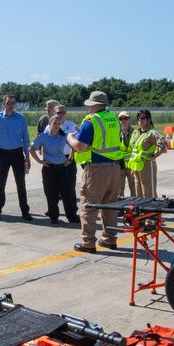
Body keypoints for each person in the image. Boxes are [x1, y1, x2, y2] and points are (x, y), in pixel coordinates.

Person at [67, 90, 125, 253]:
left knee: (89, 206)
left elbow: (80, 146)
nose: (88, 108)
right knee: (110, 206)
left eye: (90, 105)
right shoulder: (113, 118)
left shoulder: (91, 121)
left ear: (95, 105)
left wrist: (69, 138)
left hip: (97, 169)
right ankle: (109, 239)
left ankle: (88, 243)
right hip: (114, 168)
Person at [0, 94, 33, 222]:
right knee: (1, 183)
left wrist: (27, 156)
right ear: (4, 104)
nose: (11, 105)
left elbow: (26, 139)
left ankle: (25, 211)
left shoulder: (20, 118)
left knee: (21, 183)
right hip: (3, 154)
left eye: (13, 103)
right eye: (8, 103)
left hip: (18, 154)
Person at [29, 108, 78, 224]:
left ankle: (71, 216)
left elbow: (73, 146)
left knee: (67, 193)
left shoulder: (64, 135)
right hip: (49, 168)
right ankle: (53, 216)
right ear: (49, 124)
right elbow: (32, 149)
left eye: (58, 123)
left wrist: (70, 159)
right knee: (51, 193)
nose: (56, 125)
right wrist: (40, 161)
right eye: (54, 123)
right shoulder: (43, 136)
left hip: (62, 167)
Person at [124, 109, 165, 198]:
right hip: (136, 167)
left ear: (149, 119)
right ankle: (141, 210)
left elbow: (163, 146)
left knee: (148, 192)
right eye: (138, 118)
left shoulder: (152, 133)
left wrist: (154, 157)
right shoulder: (136, 132)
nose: (140, 120)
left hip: (147, 165)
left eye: (143, 118)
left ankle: (151, 210)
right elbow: (133, 150)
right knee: (138, 193)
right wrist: (132, 168)